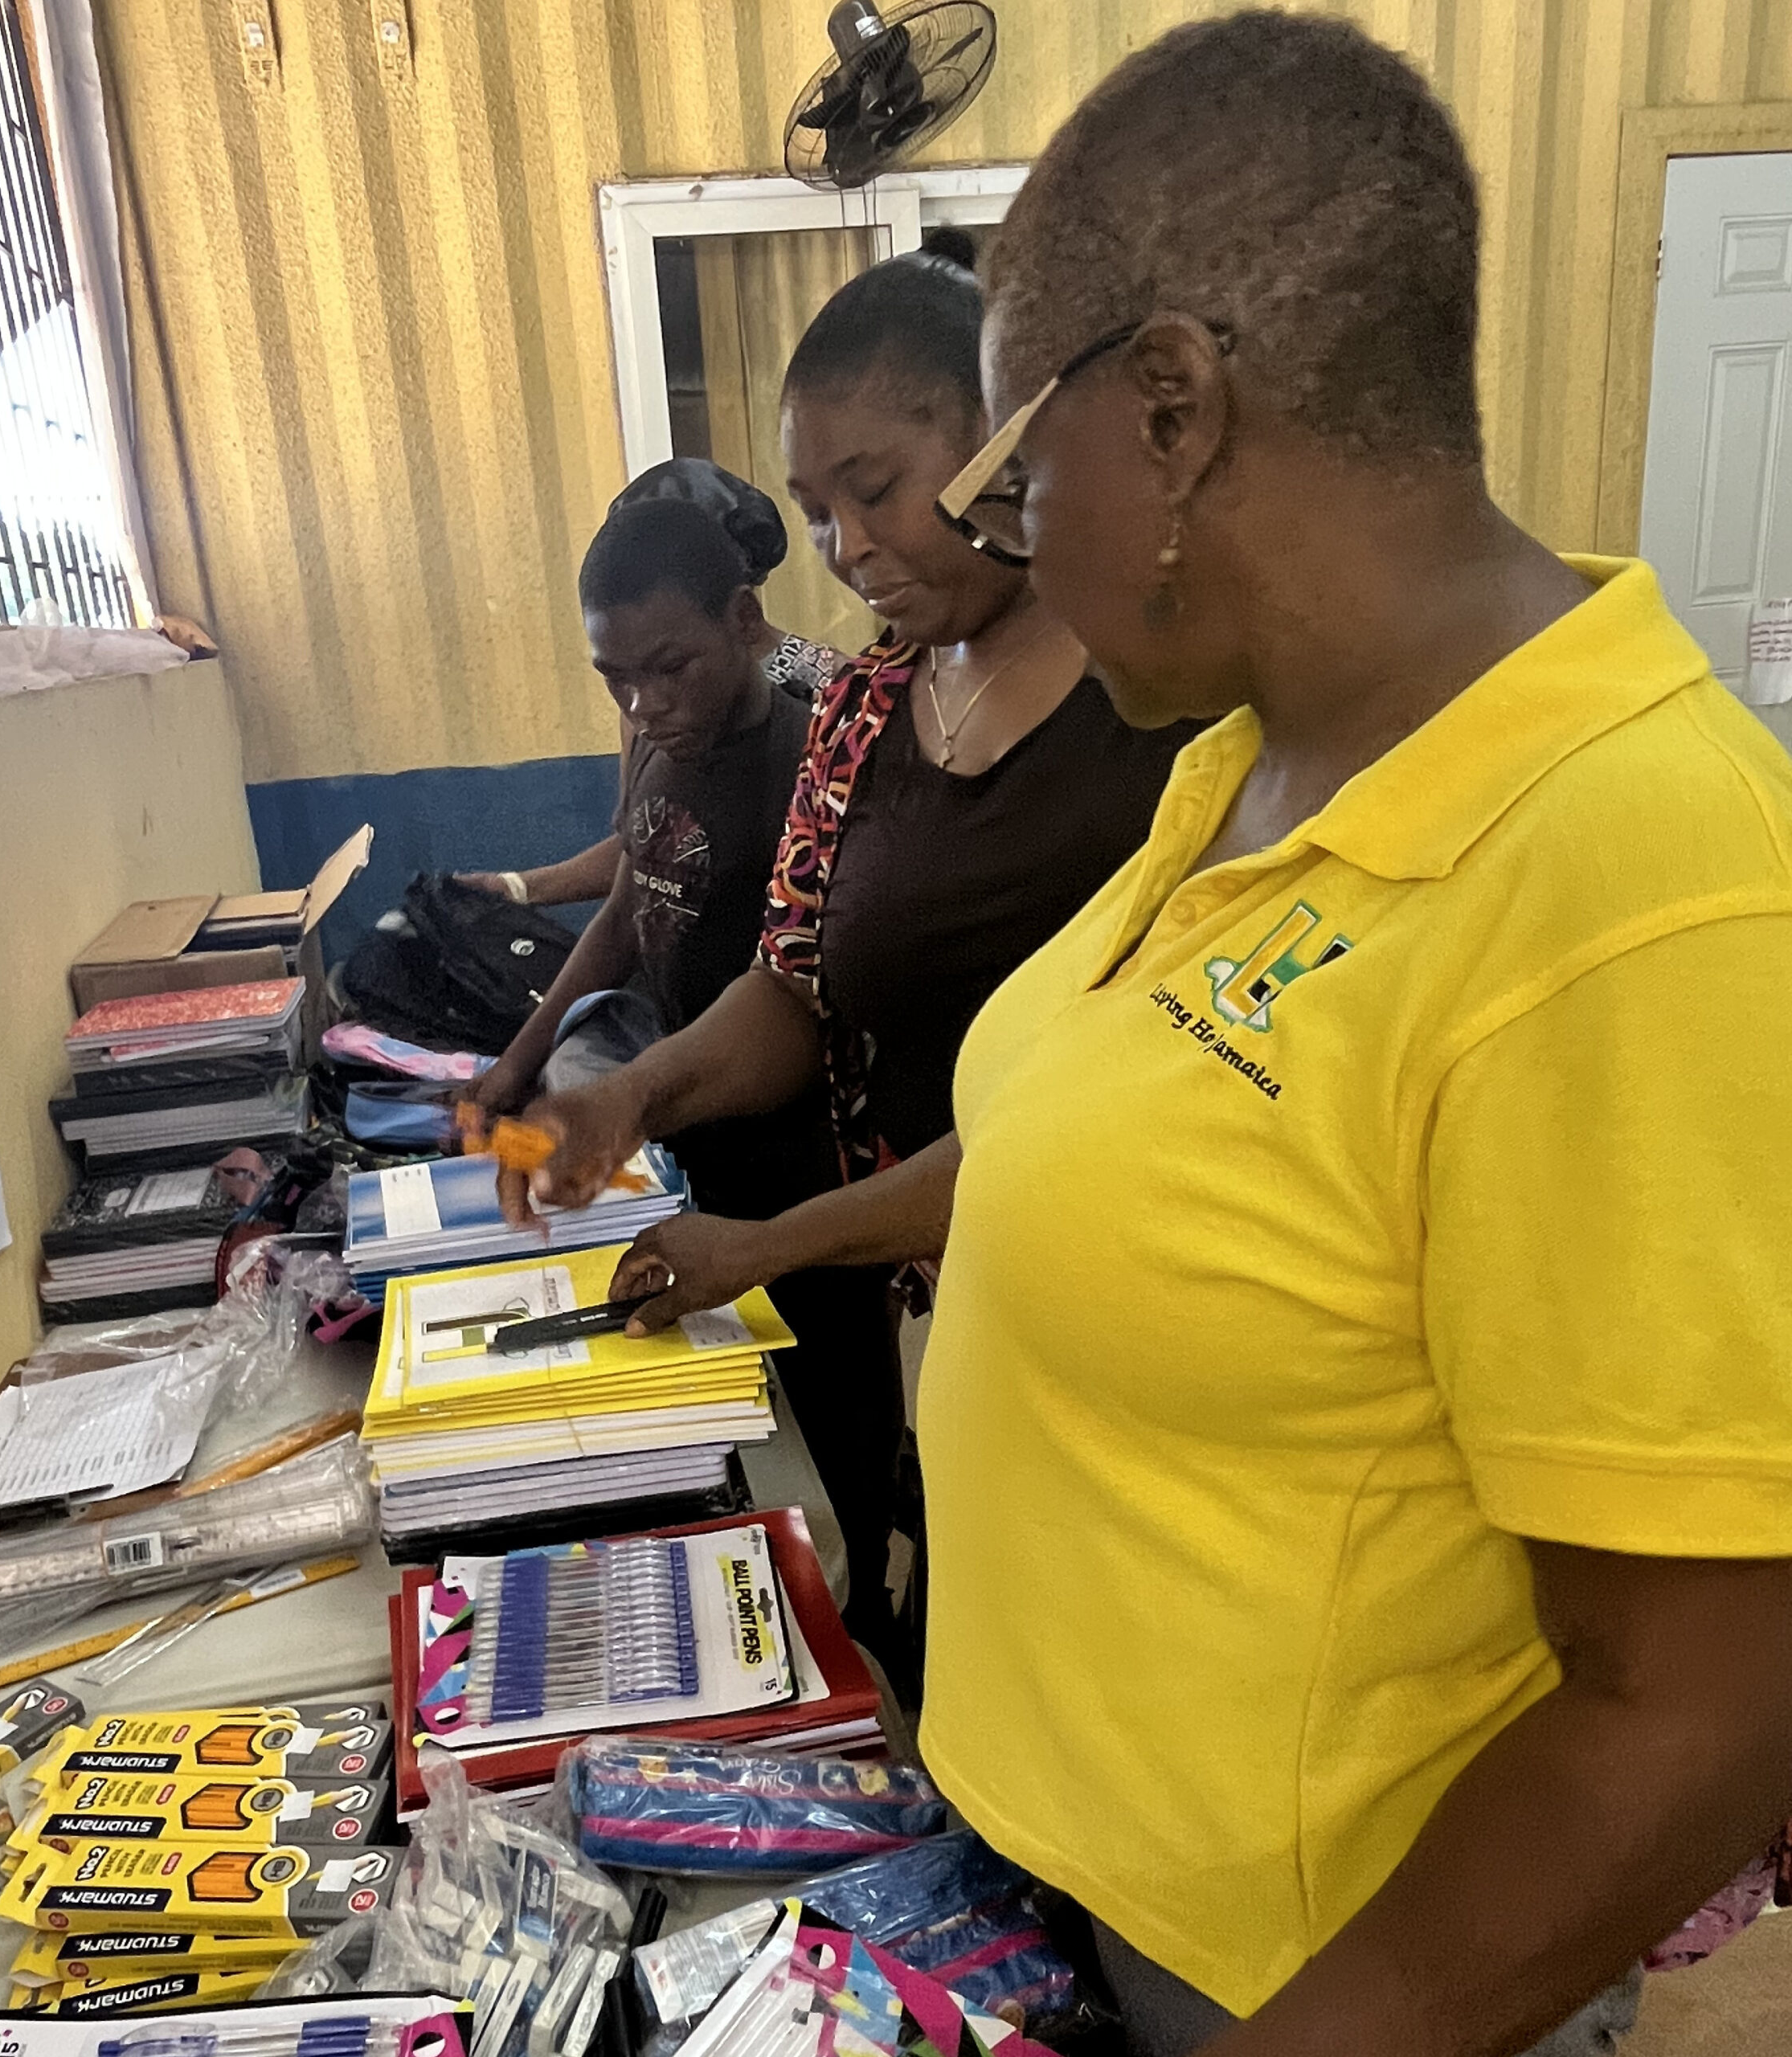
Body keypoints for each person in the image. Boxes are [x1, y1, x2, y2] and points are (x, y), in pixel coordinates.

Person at [900, 15, 1792, 2057]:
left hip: (1307, 1982)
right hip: (1071, 1887)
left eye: (1010, 469)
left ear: (1174, 408)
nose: (1009, 536)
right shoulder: (1248, 760)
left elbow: (1703, 1703)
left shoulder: (1633, 878)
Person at [504, 253, 1197, 1627]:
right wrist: (630, 1092)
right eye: (818, 513)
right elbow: (793, 985)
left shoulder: (1165, 709)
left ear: (1005, 436)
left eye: (875, 492)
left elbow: (1096, 1109)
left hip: (1125, 1336)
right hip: (936, 1328)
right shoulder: (867, 706)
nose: (848, 549)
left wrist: (775, 1243)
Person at [470, 493, 899, 1651]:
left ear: (745, 621)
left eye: (671, 669)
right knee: (746, 1394)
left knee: (837, 1388)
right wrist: (520, 1059)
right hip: (691, 1125)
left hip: (799, 1146)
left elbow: (802, 992)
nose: (645, 704)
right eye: (615, 677)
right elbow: (629, 897)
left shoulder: (807, 756)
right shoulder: (659, 741)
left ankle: (873, 1616)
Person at [458, 461, 842, 910]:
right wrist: (519, 888)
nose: (645, 703)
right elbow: (646, 853)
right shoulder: (645, 702)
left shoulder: (841, 705)